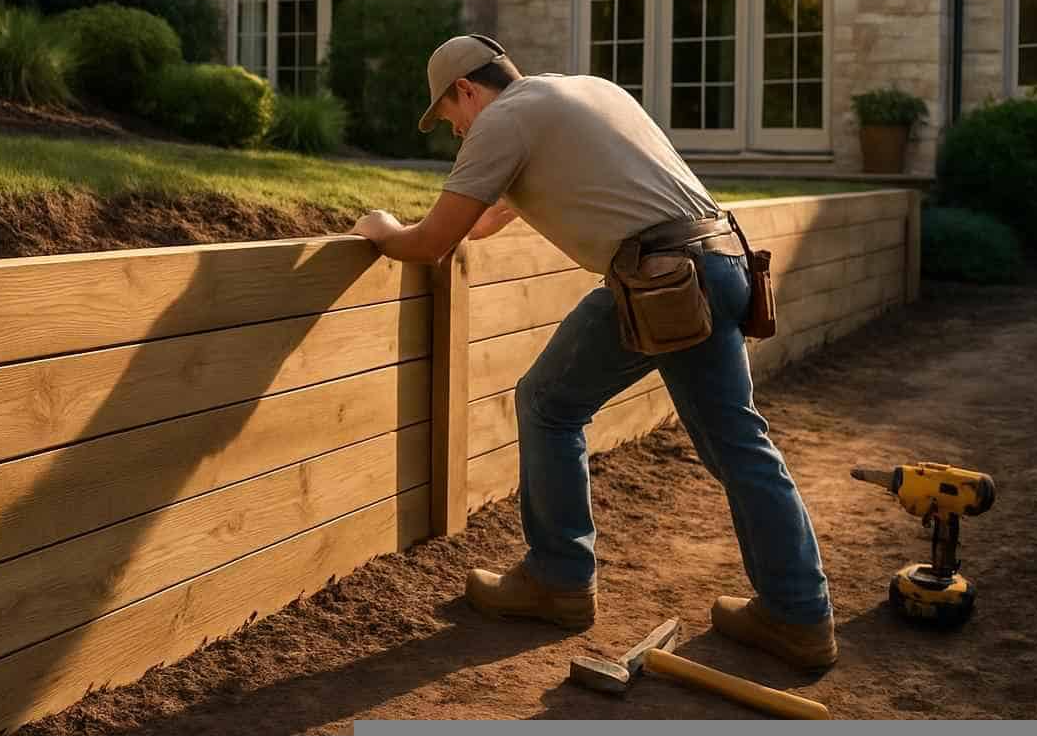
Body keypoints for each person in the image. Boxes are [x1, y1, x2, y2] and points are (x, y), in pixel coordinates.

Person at [351, 34, 837, 670]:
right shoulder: (585, 92)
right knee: (739, 444)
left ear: (466, 90)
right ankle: (800, 614)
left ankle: (559, 579)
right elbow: (496, 214)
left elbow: (432, 242)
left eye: (450, 119)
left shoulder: (503, 121)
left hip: (661, 280)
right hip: (719, 262)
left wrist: (384, 229)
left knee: (548, 403)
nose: (457, 134)